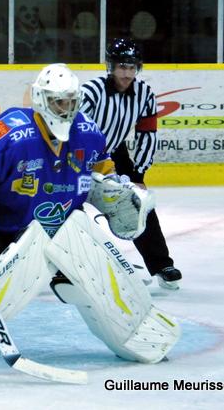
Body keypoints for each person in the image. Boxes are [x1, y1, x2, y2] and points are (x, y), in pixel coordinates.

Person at [0, 63, 180, 375]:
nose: (66, 108)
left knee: (103, 275)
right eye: (59, 101)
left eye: (71, 101)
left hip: (64, 225)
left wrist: (115, 194)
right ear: (42, 100)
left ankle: (138, 334)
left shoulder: (87, 132)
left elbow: (100, 172)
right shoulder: (12, 133)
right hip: (4, 230)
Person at [80, 38, 182, 290]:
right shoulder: (91, 91)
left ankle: (160, 264)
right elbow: (74, 130)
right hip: (80, 154)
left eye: (131, 67)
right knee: (68, 207)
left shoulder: (145, 94)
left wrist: (138, 174)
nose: (126, 73)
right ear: (111, 67)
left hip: (115, 152)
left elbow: (147, 134)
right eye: (121, 67)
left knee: (140, 205)